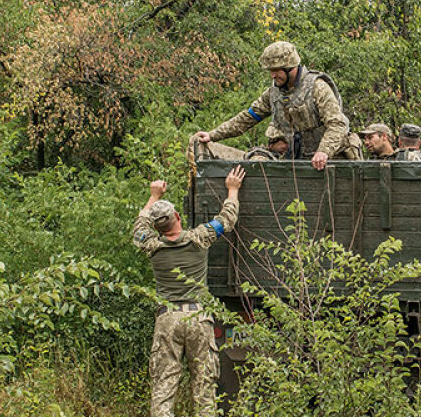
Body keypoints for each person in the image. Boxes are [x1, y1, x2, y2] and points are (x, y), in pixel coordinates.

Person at [132, 166, 246, 417]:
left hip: (167, 319)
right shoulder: (199, 238)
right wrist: (233, 189)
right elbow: (227, 218)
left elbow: (139, 227)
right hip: (198, 318)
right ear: (177, 216)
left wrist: (153, 196)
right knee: (204, 387)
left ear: (157, 226)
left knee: (163, 386)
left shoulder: (151, 246)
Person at [194, 41, 361, 170]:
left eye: (276, 70)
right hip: (293, 161)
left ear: (290, 67)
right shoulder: (274, 93)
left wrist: (324, 151)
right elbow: (248, 117)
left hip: (326, 162)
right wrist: (213, 135)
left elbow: (338, 124)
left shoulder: (317, 87)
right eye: (270, 71)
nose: (273, 75)